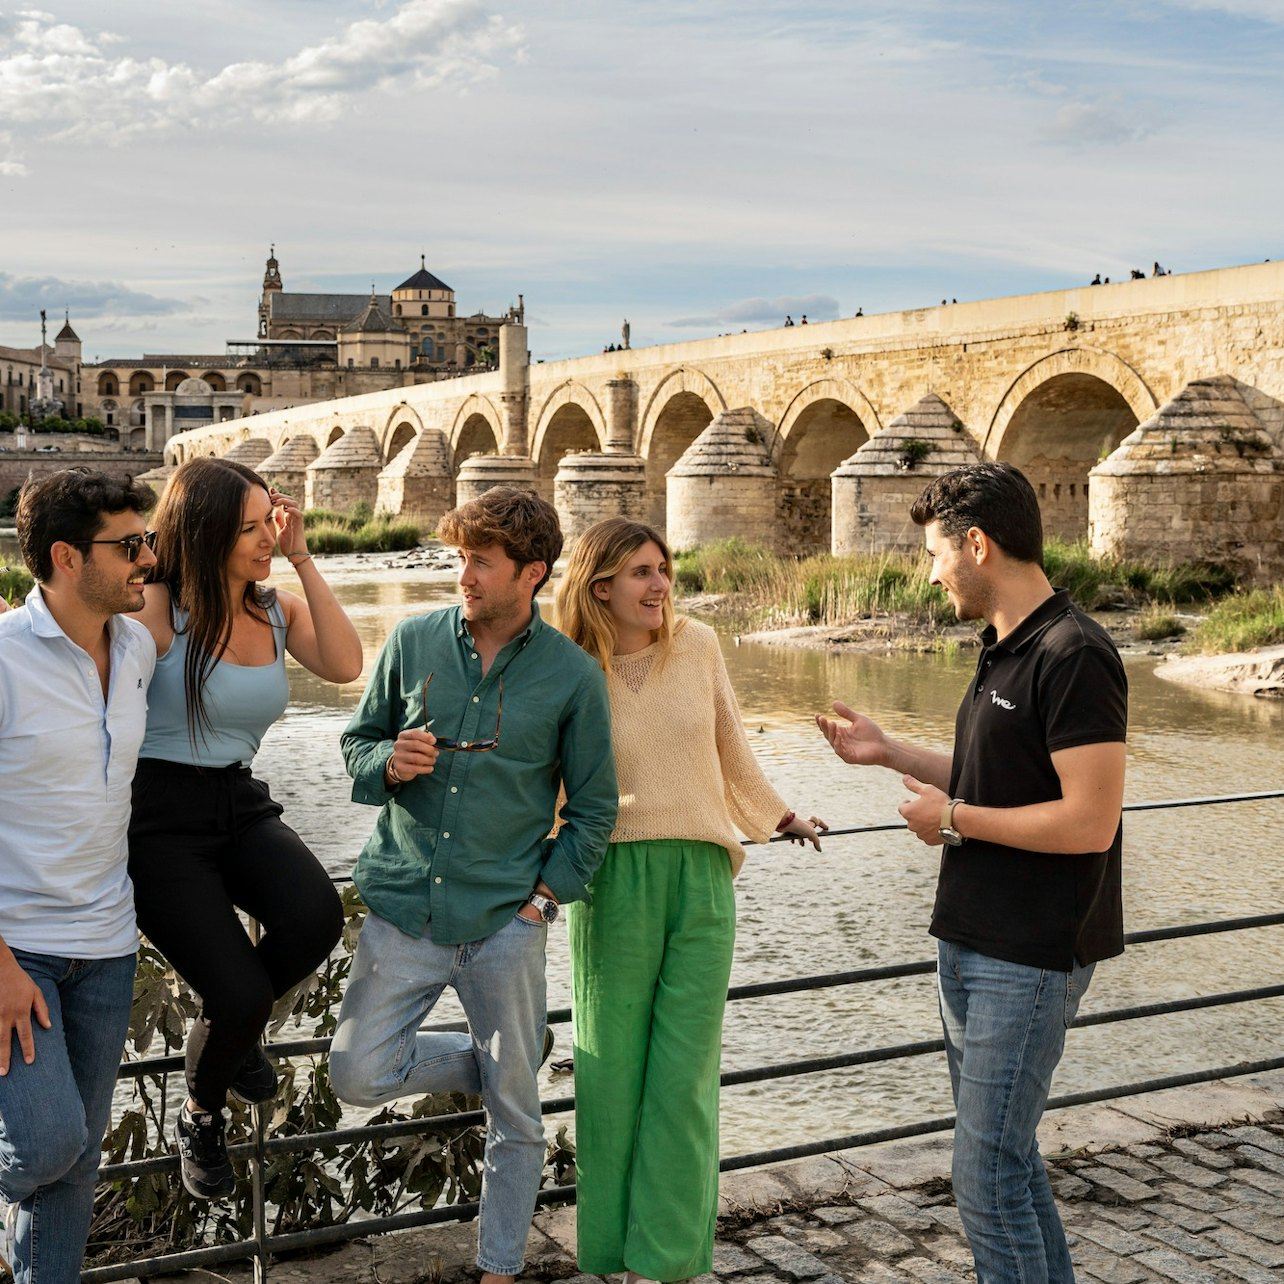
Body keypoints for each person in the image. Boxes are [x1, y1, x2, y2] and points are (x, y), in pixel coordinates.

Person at [817, 462, 1127, 1284]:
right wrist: (889, 754)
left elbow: (1090, 821)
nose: (928, 572)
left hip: (1029, 952)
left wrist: (953, 821)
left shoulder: (1075, 653)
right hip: (972, 938)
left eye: (934, 554)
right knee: (1010, 1161)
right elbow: (998, 774)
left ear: (978, 545)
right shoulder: (1004, 646)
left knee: (983, 1178)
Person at [330, 487, 618, 1284]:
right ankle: (498, 1061)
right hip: (402, 911)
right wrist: (385, 763)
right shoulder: (412, 639)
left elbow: (593, 813)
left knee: (517, 1118)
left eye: (480, 563)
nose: (464, 574)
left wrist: (540, 904)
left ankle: (498, 1270)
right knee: (356, 1074)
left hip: (504, 924)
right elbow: (356, 739)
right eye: (460, 558)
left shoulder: (571, 677)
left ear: (532, 573)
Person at [556, 518, 826, 1284]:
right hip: (608, 884)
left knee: (682, 1078)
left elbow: (731, 748)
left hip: (703, 880)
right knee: (610, 1076)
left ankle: (665, 1262)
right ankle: (611, 1250)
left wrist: (780, 817)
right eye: (641, 572)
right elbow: (547, 782)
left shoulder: (699, 645)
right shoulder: (570, 668)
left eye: (664, 569)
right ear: (600, 585)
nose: (660, 585)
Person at [129, 457, 359, 1200]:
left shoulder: (276, 608)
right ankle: (201, 1115)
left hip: (236, 798)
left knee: (316, 917)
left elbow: (347, 663)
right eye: (251, 528)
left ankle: (233, 1031)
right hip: (156, 818)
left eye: (272, 523)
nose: (268, 537)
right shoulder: (158, 608)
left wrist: (300, 555)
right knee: (239, 991)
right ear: (204, 532)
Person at [0, 469, 157, 1283]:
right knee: (47, 1144)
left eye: (149, 542)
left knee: (74, 1173)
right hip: (15, 949)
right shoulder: (2, 658)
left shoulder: (136, 647)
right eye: (129, 546)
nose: (146, 559)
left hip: (105, 944)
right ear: (65, 556)